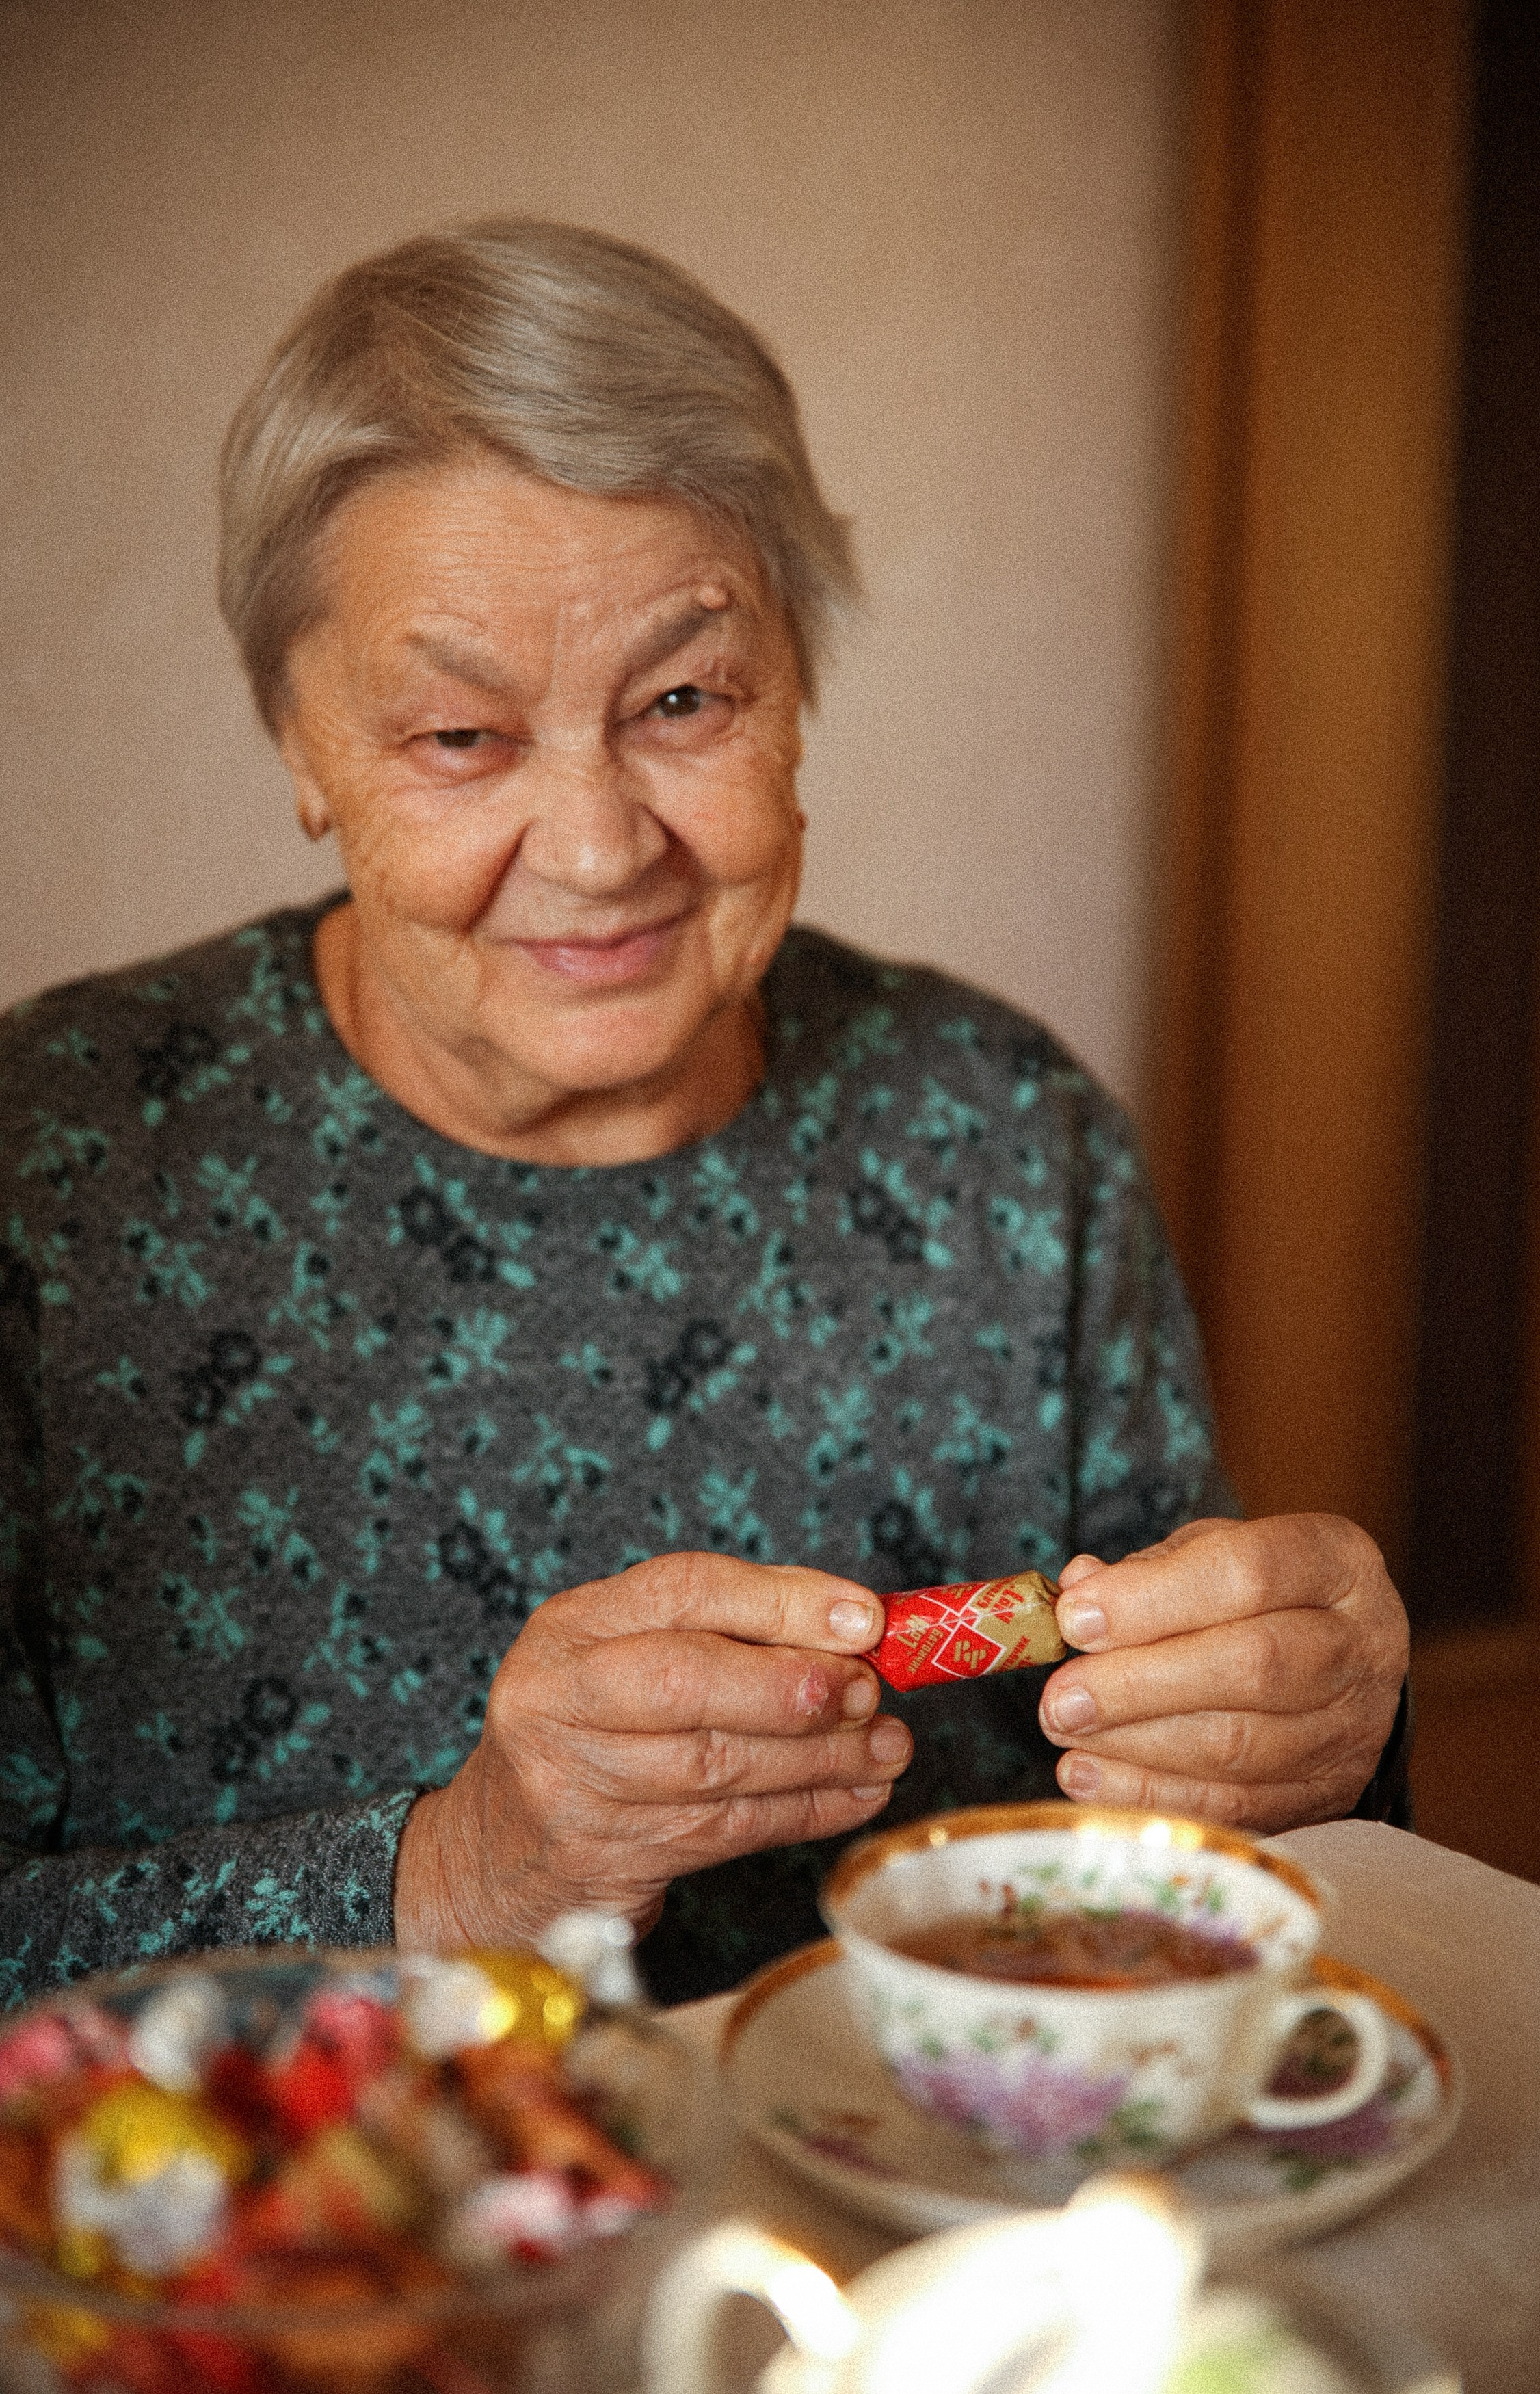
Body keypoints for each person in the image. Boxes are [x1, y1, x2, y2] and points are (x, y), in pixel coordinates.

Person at [0, 222, 1409, 2008]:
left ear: (796, 685)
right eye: (461, 737)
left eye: (681, 700)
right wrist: (461, 1866)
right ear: (297, 732)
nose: (598, 850)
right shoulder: (52, 1172)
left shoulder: (1007, 1139)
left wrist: (1323, 1735)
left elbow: (1199, 1896)